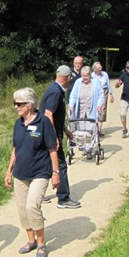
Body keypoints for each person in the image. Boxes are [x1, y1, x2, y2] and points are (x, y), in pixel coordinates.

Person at [5, 87, 60, 257]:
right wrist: (9, 170)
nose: (16, 107)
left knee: (31, 206)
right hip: (20, 173)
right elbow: (16, 149)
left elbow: (52, 149)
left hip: (40, 172)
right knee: (22, 209)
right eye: (15, 103)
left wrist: (56, 173)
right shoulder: (18, 124)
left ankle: (42, 243)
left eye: (19, 104)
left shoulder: (43, 122)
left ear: (30, 105)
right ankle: (31, 241)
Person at [38, 65, 81, 209]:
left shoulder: (53, 89)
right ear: (68, 78)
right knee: (60, 164)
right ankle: (63, 198)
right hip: (50, 134)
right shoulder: (56, 92)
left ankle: (38, 195)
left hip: (48, 132)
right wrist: (54, 137)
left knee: (45, 163)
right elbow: (48, 114)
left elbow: (55, 116)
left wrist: (66, 130)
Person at [68, 65, 104, 158]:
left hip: (91, 110)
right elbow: (73, 95)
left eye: (86, 76)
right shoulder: (78, 82)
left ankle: (89, 150)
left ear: (90, 75)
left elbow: (101, 95)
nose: (85, 78)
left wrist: (99, 105)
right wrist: (71, 105)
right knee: (81, 129)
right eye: (83, 75)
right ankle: (83, 147)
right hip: (80, 110)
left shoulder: (96, 82)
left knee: (90, 129)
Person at [91, 61, 114, 136]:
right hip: (95, 93)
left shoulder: (104, 74)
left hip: (104, 92)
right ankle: (95, 129)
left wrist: (111, 94)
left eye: (101, 67)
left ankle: (99, 130)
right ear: (95, 69)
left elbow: (108, 84)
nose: (100, 68)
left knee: (102, 110)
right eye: (99, 68)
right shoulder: (92, 75)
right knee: (95, 110)